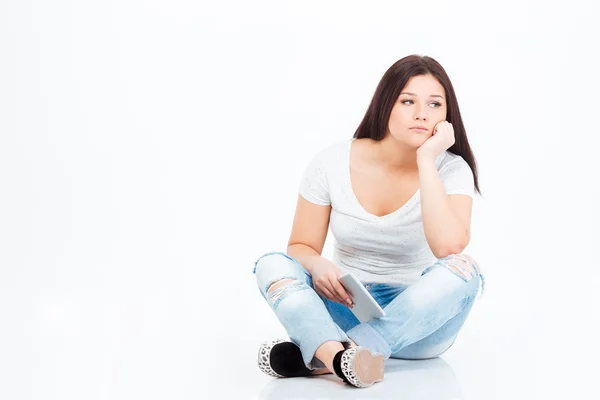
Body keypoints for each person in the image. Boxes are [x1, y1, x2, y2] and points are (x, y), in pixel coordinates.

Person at [252, 54, 485, 389]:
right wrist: (317, 265)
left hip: (419, 323)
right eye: (408, 101)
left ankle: (325, 353)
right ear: (386, 103)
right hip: (345, 305)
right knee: (271, 264)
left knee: (464, 270)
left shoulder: (450, 170)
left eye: (435, 104)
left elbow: (448, 246)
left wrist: (426, 159)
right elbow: (300, 246)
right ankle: (346, 360)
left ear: (447, 115)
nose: (422, 113)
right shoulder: (331, 162)